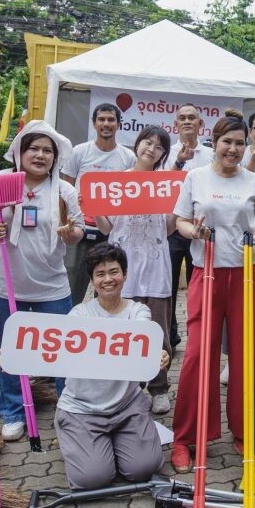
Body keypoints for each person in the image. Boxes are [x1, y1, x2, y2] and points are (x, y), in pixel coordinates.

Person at [0, 120, 85, 441]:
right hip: (4, 284)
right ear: (20, 150)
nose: (41, 155)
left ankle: (69, 409)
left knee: (62, 348)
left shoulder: (63, 189)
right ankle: (13, 412)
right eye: (34, 148)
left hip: (51, 284)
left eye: (48, 150)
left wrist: (70, 231)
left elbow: (79, 232)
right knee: (9, 350)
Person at [169, 110, 255, 473]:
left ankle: (244, 429)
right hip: (207, 271)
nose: (233, 149)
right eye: (227, 142)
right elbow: (179, 220)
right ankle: (186, 437)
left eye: (239, 143)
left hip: (249, 272)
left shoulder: (254, 182)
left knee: (247, 354)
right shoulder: (195, 177)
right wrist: (192, 231)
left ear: (246, 147)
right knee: (199, 355)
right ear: (215, 142)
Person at [56, 243, 170, 490]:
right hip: (83, 409)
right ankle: (75, 434)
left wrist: (154, 353)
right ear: (92, 280)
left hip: (126, 407)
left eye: (114, 271)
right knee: (93, 479)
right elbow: (55, 351)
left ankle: (119, 441)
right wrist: (16, 353)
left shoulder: (138, 311)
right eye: (100, 274)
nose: (108, 279)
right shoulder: (78, 315)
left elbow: (142, 335)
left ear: (125, 275)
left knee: (144, 468)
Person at [95, 125, 176, 415]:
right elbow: (107, 228)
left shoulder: (167, 184)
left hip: (155, 265)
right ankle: (125, 388)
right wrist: (96, 210)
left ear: (163, 154)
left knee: (157, 329)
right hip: (123, 266)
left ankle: (159, 388)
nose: (151, 149)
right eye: (147, 142)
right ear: (137, 144)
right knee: (122, 330)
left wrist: (173, 211)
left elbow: (168, 229)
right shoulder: (116, 182)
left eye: (158, 146)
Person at [61, 103, 136, 305]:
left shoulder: (128, 158)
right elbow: (65, 189)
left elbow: (131, 196)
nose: (106, 124)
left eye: (111, 120)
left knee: (108, 288)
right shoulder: (79, 152)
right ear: (94, 124)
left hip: (111, 232)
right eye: (101, 119)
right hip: (81, 230)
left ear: (119, 124)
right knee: (72, 285)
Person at [163, 103, 215, 347]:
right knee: (168, 287)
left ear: (200, 124)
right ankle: (170, 339)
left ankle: (199, 338)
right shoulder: (166, 153)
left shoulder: (211, 154)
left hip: (201, 229)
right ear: (175, 124)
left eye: (191, 118)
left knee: (200, 286)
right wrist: (178, 163)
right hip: (173, 228)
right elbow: (162, 189)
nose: (186, 122)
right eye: (182, 118)